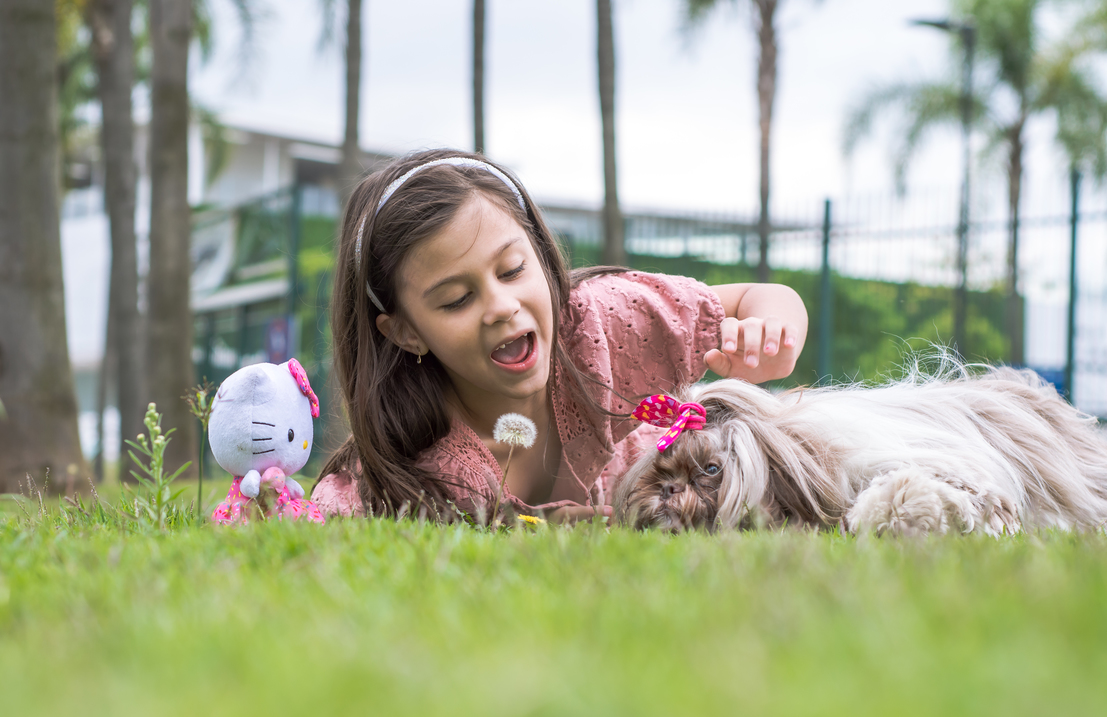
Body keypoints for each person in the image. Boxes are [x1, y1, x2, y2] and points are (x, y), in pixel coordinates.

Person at [312, 149, 808, 523]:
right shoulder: (415, 471)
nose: (501, 306)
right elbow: (327, 515)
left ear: (541, 255)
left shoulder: (601, 321)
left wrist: (772, 341)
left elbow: (759, 297)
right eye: (457, 299)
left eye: (512, 269)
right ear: (406, 333)